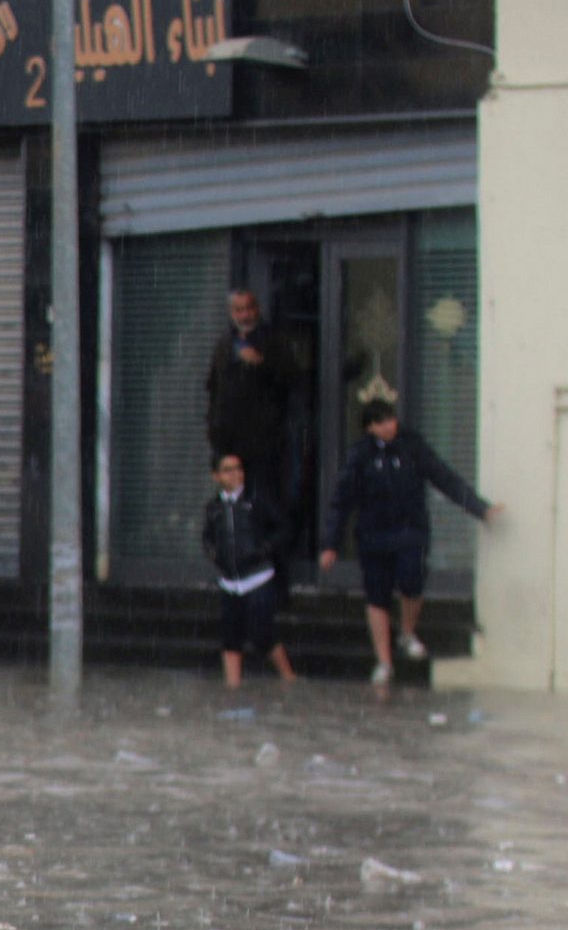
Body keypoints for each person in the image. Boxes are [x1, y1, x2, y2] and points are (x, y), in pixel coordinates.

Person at [317, 398, 500, 685]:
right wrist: (330, 544)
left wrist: (479, 508)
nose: (389, 426)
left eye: (391, 419)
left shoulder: (412, 445)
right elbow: (341, 502)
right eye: (381, 422)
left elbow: (444, 477)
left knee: (412, 582)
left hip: (410, 532)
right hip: (374, 537)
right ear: (370, 428)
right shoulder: (360, 456)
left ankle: (407, 631)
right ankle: (384, 661)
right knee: (377, 595)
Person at [201, 453, 295, 688]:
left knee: (261, 630)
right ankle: (233, 684)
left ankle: (288, 675)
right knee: (230, 633)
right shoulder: (214, 507)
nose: (235, 474)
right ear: (216, 476)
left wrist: (263, 550)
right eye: (228, 470)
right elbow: (208, 537)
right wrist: (213, 553)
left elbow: (282, 528)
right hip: (230, 581)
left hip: (258, 577)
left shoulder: (256, 500)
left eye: (238, 468)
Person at [206, 287, 293, 532]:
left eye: (249, 308)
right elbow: (214, 390)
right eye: (238, 310)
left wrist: (260, 364)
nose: (245, 315)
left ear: (257, 309)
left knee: (265, 504)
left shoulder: (273, 341)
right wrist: (215, 436)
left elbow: (289, 381)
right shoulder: (224, 345)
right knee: (235, 507)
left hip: (263, 443)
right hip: (230, 443)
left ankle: (267, 559)